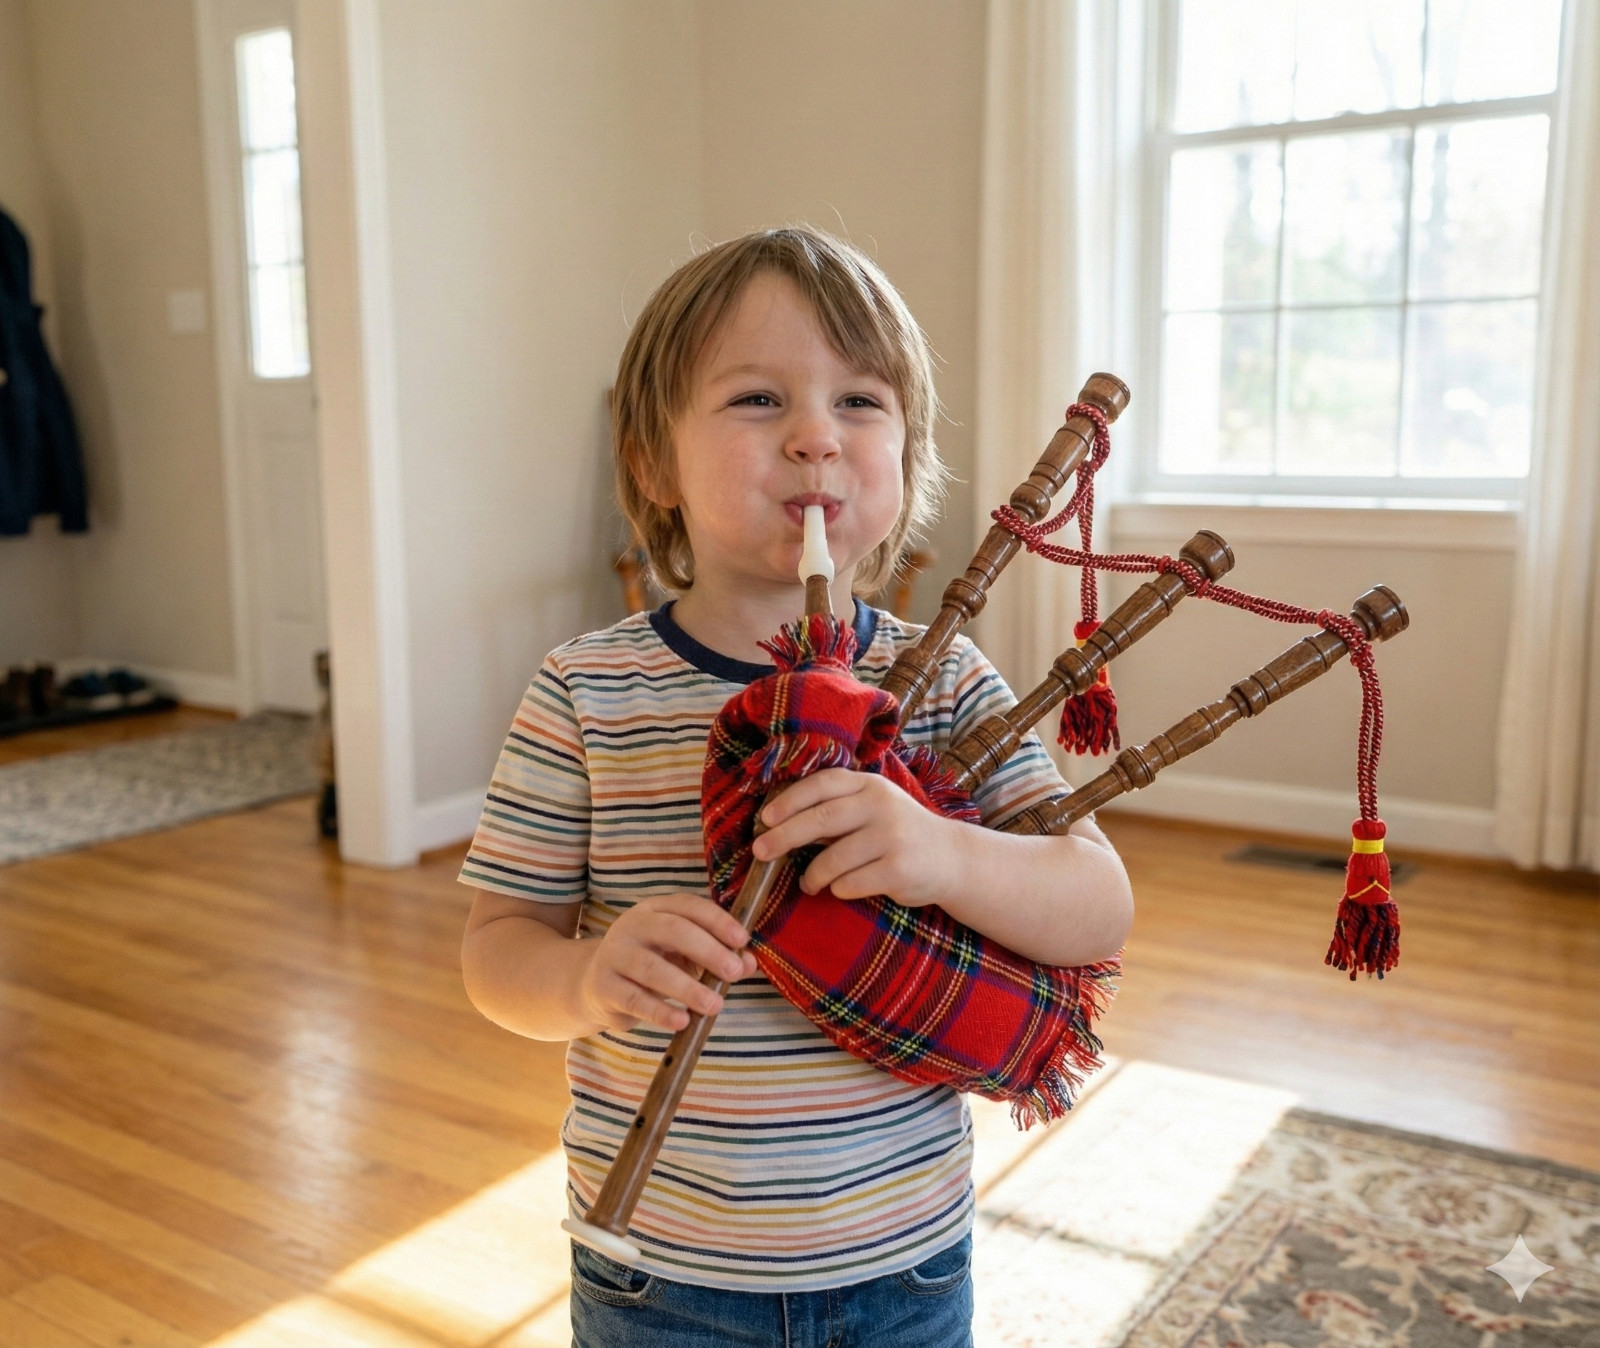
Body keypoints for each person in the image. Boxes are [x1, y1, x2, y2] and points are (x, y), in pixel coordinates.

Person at [459, 226, 1133, 1347]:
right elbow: (496, 953)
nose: (817, 436)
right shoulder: (585, 692)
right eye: (758, 399)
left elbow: (1097, 906)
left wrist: (943, 852)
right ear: (651, 465)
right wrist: (583, 977)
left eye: (860, 402)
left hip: (904, 1261)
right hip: (659, 1277)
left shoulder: (946, 679)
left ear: (908, 462)